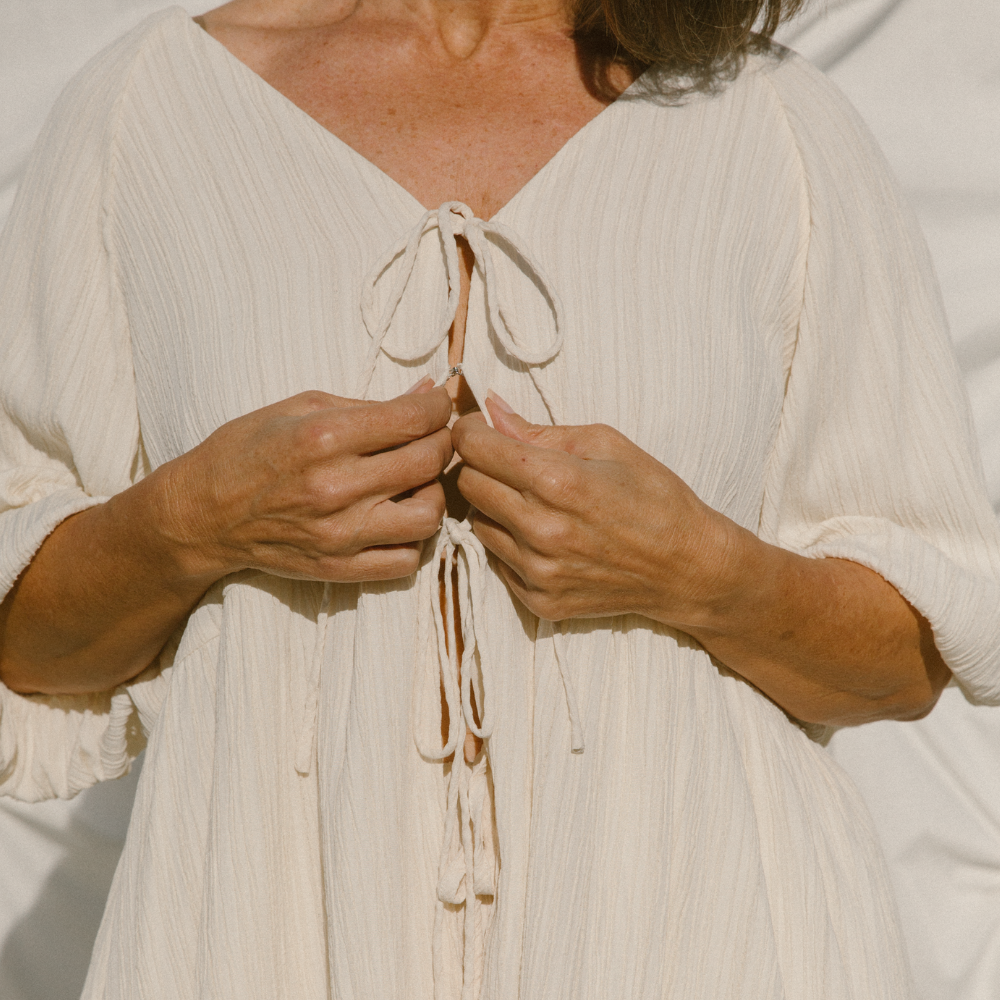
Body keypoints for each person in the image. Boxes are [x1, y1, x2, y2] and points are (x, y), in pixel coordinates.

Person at [0, 0, 997, 997]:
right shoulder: (151, 111)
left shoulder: (771, 121)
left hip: (702, 944)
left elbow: (906, 662)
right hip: (266, 948)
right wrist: (189, 522)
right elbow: (30, 647)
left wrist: (699, 572)